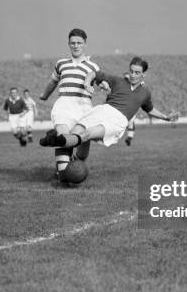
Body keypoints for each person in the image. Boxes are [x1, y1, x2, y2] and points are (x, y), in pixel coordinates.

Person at [39, 56, 179, 180]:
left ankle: (56, 142)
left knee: (87, 134)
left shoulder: (145, 93)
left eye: (137, 72)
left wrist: (166, 117)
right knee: (75, 132)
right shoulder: (118, 80)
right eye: (131, 71)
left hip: (118, 120)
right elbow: (94, 73)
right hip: (102, 110)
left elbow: (150, 109)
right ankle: (62, 156)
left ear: (144, 74)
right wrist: (87, 83)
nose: (133, 75)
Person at [39, 28, 100, 175]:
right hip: (64, 104)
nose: (76, 45)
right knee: (63, 136)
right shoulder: (61, 63)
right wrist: (45, 95)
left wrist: (105, 86)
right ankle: (63, 173)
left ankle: (74, 162)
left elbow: (102, 82)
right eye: (73, 43)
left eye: (79, 43)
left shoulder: (94, 67)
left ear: (85, 44)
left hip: (84, 106)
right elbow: (53, 82)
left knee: (83, 145)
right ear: (68, 44)